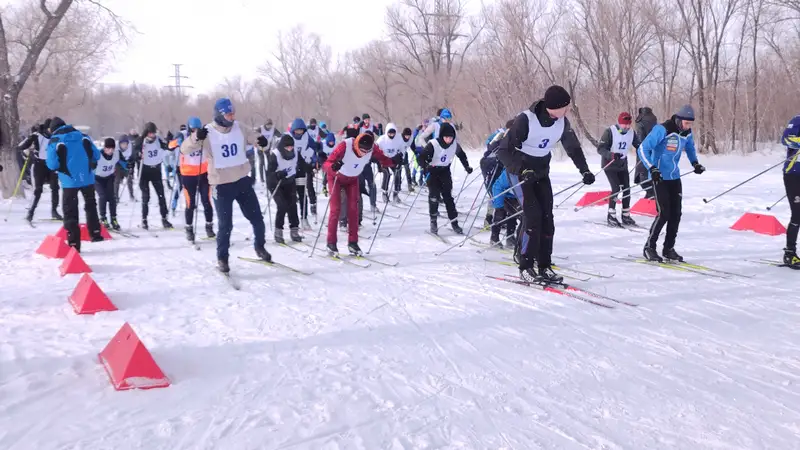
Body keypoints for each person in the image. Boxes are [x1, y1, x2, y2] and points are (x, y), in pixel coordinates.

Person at [496, 85, 595, 283]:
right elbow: (503, 151)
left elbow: (573, 147)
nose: (568, 111)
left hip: (541, 172)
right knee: (533, 217)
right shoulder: (526, 120)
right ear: (553, 107)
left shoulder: (561, 122)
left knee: (547, 220)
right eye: (565, 107)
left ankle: (544, 266)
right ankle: (525, 266)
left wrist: (584, 170)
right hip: (521, 173)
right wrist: (522, 169)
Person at [181, 97, 271, 273]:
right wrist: (195, 137)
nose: (232, 116)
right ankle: (222, 258)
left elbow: (255, 137)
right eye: (229, 114)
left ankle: (260, 247)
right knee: (225, 225)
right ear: (220, 115)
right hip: (221, 184)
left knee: (257, 219)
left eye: (233, 113)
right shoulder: (207, 131)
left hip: (242, 181)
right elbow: (185, 149)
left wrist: (261, 141)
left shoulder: (239, 127)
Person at [637, 104, 705, 263]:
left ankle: (668, 248)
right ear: (679, 119)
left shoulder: (686, 132)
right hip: (659, 176)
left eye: (691, 124)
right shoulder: (663, 129)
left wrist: (695, 163)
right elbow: (643, 149)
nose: (689, 126)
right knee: (664, 213)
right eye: (687, 123)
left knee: (676, 214)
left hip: (674, 177)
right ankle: (649, 247)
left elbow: (690, 148)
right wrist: (652, 168)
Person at [323, 132, 395, 256]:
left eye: (367, 151)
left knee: (353, 210)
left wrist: (394, 161)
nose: (364, 153)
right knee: (336, 210)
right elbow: (326, 164)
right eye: (362, 150)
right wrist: (333, 166)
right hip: (336, 178)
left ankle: (353, 243)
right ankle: (331, 243)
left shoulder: (371, 149)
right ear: (357, 145)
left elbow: (383, 159)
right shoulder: (345, 146)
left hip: (352, 180)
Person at [45, 117, 103, 251]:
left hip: (69, 180)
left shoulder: (55, 140)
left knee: (70, 211)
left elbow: (52, 164)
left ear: (53, 129)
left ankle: (74, 243)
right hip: (87, 178)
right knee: (90, 205)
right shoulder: (84, 136)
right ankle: (95, 233)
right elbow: (97, 155)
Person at [416, 122, 473, 235]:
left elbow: (462, 155)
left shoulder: (455, 145)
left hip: (444, 172)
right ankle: (433, 222)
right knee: (434, 197)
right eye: (446, 137)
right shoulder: (433, 144)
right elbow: (421, 158)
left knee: (448, 198)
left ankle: (454, 222)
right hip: (432, 172)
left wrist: (467, 166)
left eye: (451, 137)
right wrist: (425, 166)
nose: (448, 140)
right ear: (442, 136)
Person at [597, 112, 641, 227]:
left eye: (628, 125)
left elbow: (639, 145)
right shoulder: (610, 131)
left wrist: (646, 151)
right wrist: (611, 155)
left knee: (627, 189)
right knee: (616, 188)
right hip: (610, 164)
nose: (626, 127)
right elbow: (600, 149)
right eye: (624, 124)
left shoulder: (631, 132)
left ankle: (626, 216)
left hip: (622, 165)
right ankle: (611, 215)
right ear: (619, 123)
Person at [18, 119, 62, 222]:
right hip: (39, 165)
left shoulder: (56, 137)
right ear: (47, 128)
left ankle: (54, 211)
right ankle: (31, 212)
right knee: (38, 189)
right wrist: (30, 143)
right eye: (52, 129)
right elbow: (21, 146)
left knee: (55, 187)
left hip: (51, 165)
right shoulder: (37, 135)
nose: (53, 131)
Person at [180, 116, 215, 242]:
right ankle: (189, 228)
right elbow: (171, 145)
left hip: (203, 173)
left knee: (206, 201)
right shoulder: (183, 136)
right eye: (193, 129)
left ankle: (209, 226)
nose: (195, 131)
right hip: (188, 175)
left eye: (197, 129)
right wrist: (176, 141)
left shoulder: (205, 137)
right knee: (191, 204)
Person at [133, 122, 173, 230]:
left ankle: (164, 218)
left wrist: (170, 141)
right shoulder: (141, 141)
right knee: (146, 196)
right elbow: (135, 152)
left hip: (155, 170)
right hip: (144, 171)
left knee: (161, 195)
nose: (152, 135)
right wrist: (138, 154)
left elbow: (167, 147)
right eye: (150, 133)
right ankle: (144, 220)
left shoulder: (158, 140)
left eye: (153, 133)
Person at [266, 134, 302, 244]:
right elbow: (269, 174)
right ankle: (278, 231)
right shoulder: (275, 155)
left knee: (292, 205)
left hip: (289, 181)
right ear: (282, 146)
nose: (290, 149)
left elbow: (301, 164)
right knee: (282, 206)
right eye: (287, 147)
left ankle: (294, 230)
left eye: (291, 146)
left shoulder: (295, 152)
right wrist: (278, 174)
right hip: (275, 183)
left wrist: (308, 168)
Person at [288, 118, 321, 228]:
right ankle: (292, 221)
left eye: (301, 131)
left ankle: (304, 218)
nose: (299, 133)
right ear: (293, 130)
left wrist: (315, 160)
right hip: (290, 170)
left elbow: (313, 149)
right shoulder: (288, 137)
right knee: (291, 195)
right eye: (297, 131)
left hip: (302, 169)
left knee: (303, 193)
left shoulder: (307, 138)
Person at [94, 137, 126, 230]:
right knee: (103, 197)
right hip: (97, 179)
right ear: (104, 148)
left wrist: (128, 165)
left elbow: (124, 162)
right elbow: (90, 162)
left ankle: (113, 218)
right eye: (108, 149)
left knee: (112, 198)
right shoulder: (98, 154)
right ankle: (103, 218)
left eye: (112, 149)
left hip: (109, 177)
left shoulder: (117, 153)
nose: (110, 151)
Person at [781, 115, 800, 268]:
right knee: (797, 214)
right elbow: (785, 139)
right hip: (793, 174)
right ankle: (789, 253)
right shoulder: (796, 121)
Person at [375, 123, 407, 203]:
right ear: (386, 132)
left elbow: (403, 149)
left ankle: (396, 193)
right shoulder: (382, 139)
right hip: (384, 159)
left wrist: (401, 156)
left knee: (397, 175)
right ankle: (384, 193)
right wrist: (378, 161)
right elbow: (375, 148)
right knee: (387, 174)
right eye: (389, 133)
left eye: (393, 133)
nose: (391, 135)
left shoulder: (399, 138)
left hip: (394, 159)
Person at [490, 167, 519, 249]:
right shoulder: (511, 171)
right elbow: (497, 186)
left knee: (514, 215)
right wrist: (499, 206)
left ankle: (510, 237)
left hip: (517, 196)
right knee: (500, 214)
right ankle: (494, 238)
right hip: (504, 195)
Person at [634, 107, 658, 199]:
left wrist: (639, 145)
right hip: (654, 149)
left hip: (644, 149)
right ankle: (651, 193)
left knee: (642, 174)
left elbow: (640, 137)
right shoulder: (653, 118)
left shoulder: (640, 120)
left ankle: (651, 194)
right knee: (650, 172)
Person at [256, 119, 281, 185]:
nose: (269, 127)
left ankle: (269, 176)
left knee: (270, 162)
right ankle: (261, 178)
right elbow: (254, 135)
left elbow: (280, 135)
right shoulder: (260, 129)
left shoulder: (273, 129)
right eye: (267, 125)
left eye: (270, 125)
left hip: (267, 148)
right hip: (260, 147)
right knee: (262, 162)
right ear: (265, 125)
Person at [114, 134, 135, 202]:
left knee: (129, 180)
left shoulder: (130, 147)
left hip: (126, 164)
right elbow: (117, 159)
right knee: (116, 181)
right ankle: (116, 197)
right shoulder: (116, 148)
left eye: (125, 144)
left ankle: (131, 195)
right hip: (118, 165)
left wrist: (131, 165)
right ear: (119, 144)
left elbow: (133, 157)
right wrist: (125, 164)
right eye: (122, 144)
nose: (124, 145)